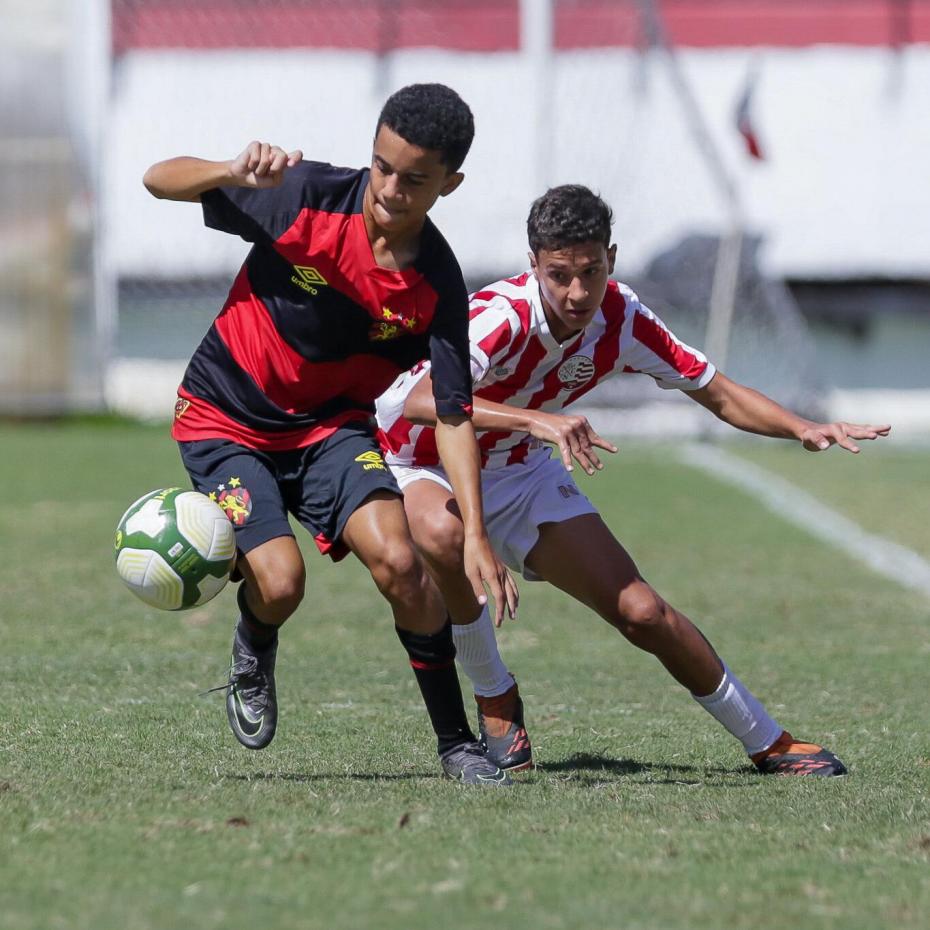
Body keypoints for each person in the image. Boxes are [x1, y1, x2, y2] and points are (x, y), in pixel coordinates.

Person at [376, 184, 891, 776]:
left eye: (591, 272)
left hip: (518, 466)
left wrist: (801, 427)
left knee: (643, 611)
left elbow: (718, 394)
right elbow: (425, 400)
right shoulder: (501, 315)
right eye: (559, 274)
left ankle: (769, 741)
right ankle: (495, 694)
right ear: (533, 266)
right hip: (422, 458)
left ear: (611, 260)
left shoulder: (623, 319)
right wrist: (536, 422)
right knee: (445, 537)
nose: (576, 292)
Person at [142, 83, 518, 786]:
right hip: (226, 418)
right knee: (281, 586)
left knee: (403, 567)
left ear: (450, 184)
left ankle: (456, 744)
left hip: (330, 429)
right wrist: (230, 171)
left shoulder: (437, 283)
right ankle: (255, 642)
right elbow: (157, 179)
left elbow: (456, 413)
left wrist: (474, 533)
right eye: (382, 166)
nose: (390, 189)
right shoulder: (301, 195)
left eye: (415, 179)